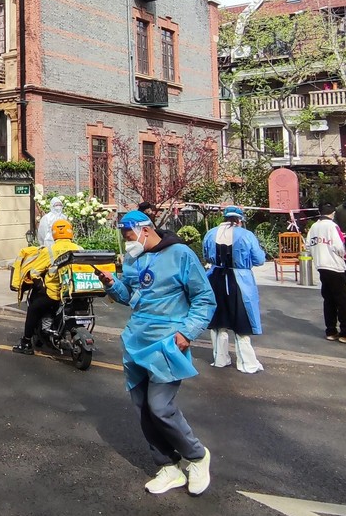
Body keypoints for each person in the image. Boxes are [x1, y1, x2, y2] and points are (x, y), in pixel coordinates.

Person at [95, 210, 216, 496]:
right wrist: (112, 285)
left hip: (167, 342)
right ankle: (167, 467)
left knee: (160, 407)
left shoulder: (181, 255)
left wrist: (188, 332)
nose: (127, 243)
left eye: (129, 237)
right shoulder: (135, 259)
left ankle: (197, 456)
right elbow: (132, 298)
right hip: (137, 340)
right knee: (143, 409)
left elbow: (204, 298)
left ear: (145, 230)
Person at [201, 206, 265, 373]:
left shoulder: (210, 233)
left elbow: (206, 256)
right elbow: (259, 259)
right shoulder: (246, 235)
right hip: (240, 281)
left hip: (216, 278)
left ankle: (220, 359)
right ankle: (247, 363)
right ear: (239, 219)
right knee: (241, 322)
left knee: (218, 322)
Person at [11, 221, 82, 355]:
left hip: (54, 293)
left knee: (33, 309)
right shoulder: (79, 248)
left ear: (54, 234)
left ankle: (26, 342)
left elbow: (34, 272)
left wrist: (40, 287)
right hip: (76, 293)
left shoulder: (49, 250)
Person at [307, 202, 346, 344]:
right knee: (343, 300)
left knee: (329, 298)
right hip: (334, 265)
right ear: (332, 214)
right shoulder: (332, 226)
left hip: (321, 265)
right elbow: (339, 246)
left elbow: (308, 245)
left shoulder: (314, 226)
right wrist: (343, 256)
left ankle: (331, 330)